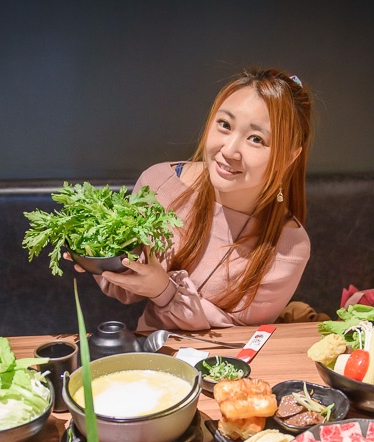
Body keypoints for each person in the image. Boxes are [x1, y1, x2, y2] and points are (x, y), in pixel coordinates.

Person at [90, 67, 314, 331]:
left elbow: (239, 335)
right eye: (225, 125)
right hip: (152, 359)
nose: (229, 150)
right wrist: (96, 255)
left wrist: (164, 290)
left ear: (289, 157)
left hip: (230, 367)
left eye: (255, 139)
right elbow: (125, 287)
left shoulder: (289, 248)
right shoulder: (159, 184)